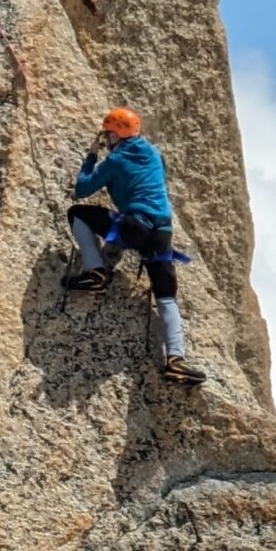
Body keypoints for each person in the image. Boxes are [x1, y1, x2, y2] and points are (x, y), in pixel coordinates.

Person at [65, 108, 206, 385]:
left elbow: (82, 188)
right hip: (162, 231)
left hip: (134, 225)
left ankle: (95, 272)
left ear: (115, 134)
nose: (106, 140)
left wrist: (92, 156)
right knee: (166, 296)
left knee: (78, 213)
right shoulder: (154, 153)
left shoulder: (114, 159)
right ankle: (176, 360)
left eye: (107, 135)